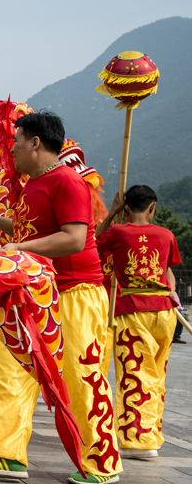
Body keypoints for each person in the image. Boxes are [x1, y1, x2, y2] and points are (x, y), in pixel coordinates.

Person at [0, 111, 122, 483]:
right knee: (11, 368)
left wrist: (17, 246)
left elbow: (73, 238)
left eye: (16, 141)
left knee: (82, 378)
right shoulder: (32, 185)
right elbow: (25, 229)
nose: (12, 149)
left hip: (74, 293)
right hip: (35, 293)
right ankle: (3, 454)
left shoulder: (67, 181)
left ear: (35, 142)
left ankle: (101, 463)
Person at [96, 185, 181, 460]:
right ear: (153, 207)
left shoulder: (118, 232)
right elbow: (169, 273)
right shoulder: (167, 235)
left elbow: (92, 241)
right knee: (157, 375)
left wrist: (111, 214)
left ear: (127, 208)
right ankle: (151, 434)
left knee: (135, 374)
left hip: (134, 309)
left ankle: (138, 441)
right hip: (165, 312)